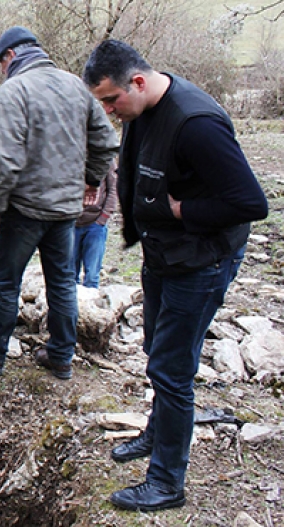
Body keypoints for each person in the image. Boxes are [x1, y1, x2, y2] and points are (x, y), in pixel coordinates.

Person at [82, 39, 268, 512]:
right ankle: (155, 433)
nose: (107, 111)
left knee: (173, 368)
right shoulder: (141, 111)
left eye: (111, 100)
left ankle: (166, 482)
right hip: (163, 255)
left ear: (137, 82)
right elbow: (132, 169)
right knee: (155, 351)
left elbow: (251, 203)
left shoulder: (197, 124)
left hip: (201, 261)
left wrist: (185, 209)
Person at [0, 26, 118, 380]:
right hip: (65, 209)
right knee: (61, 282)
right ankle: (61, 356)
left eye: (1, 62)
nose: (2, 69)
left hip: (24, 209)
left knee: (6, 282)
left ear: (11, 55)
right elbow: (106, 142)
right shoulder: (77, 86)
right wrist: (91, 179)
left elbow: (4, 160)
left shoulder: (12, 92)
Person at [74, 159, 118, 288]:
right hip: (71, 224)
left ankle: (91, 304)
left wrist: (103, 218)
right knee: (69, 276)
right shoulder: (70, 152)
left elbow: (114, 188)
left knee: (92, 276)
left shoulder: (106, 159)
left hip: (95, 224)